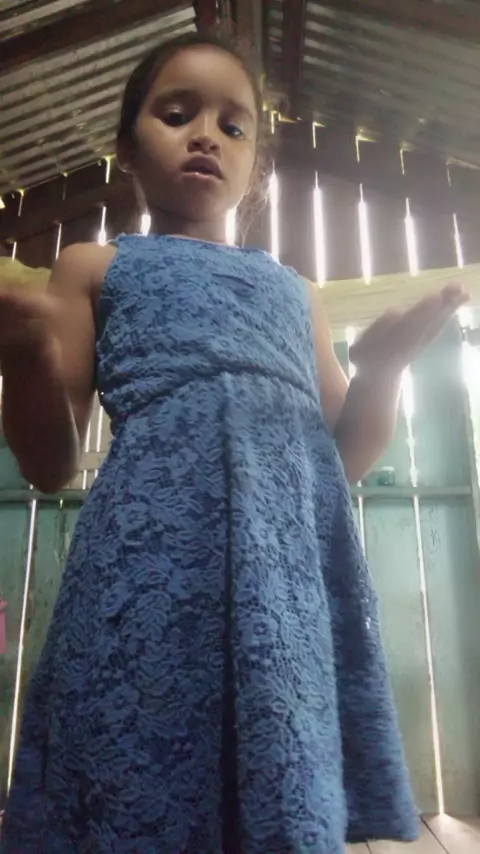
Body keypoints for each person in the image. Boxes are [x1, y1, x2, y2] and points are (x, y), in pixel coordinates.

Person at [0, 30, 468, 854]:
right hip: (146, 567)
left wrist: (384, 369)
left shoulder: (296, 292)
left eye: (233, 124)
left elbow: (345, 458)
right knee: (135, 759)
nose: (206, 135)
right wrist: (28, 358)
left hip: (283, 577)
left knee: (279, 775)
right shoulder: (95, 267)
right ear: (126, 147)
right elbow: (50, 464)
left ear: (256, 162)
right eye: (176, 113)